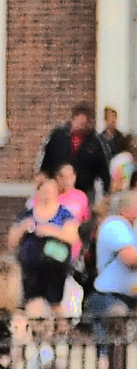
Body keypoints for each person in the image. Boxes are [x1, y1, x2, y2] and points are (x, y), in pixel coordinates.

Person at [10, 170, 80, 315]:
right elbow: (11, 241)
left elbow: (72, 238)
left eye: (51, 190)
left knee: (56, 306)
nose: (47, 194)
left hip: (56, 269)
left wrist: (50, 231)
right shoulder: (27, 214)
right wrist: (23, 228)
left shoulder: (64, 214)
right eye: (44, 190)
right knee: (31, 306)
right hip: (30, 271)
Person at [41, 104, 113, 199]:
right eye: (79, 120)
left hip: (84, 191)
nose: (81, 125)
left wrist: (107, 190)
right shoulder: (58, 136)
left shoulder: (94, 142)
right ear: (73, 119)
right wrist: (43, 180)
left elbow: (102, 167)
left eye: (84, 122)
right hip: (58, 189)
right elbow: (47, 159)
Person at [92, 187, 137, 331]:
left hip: (130, 298)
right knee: (117, 323)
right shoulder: (115, 224)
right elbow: (129, 258)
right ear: (126, 209)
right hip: (111, 298)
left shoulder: (132, 228)